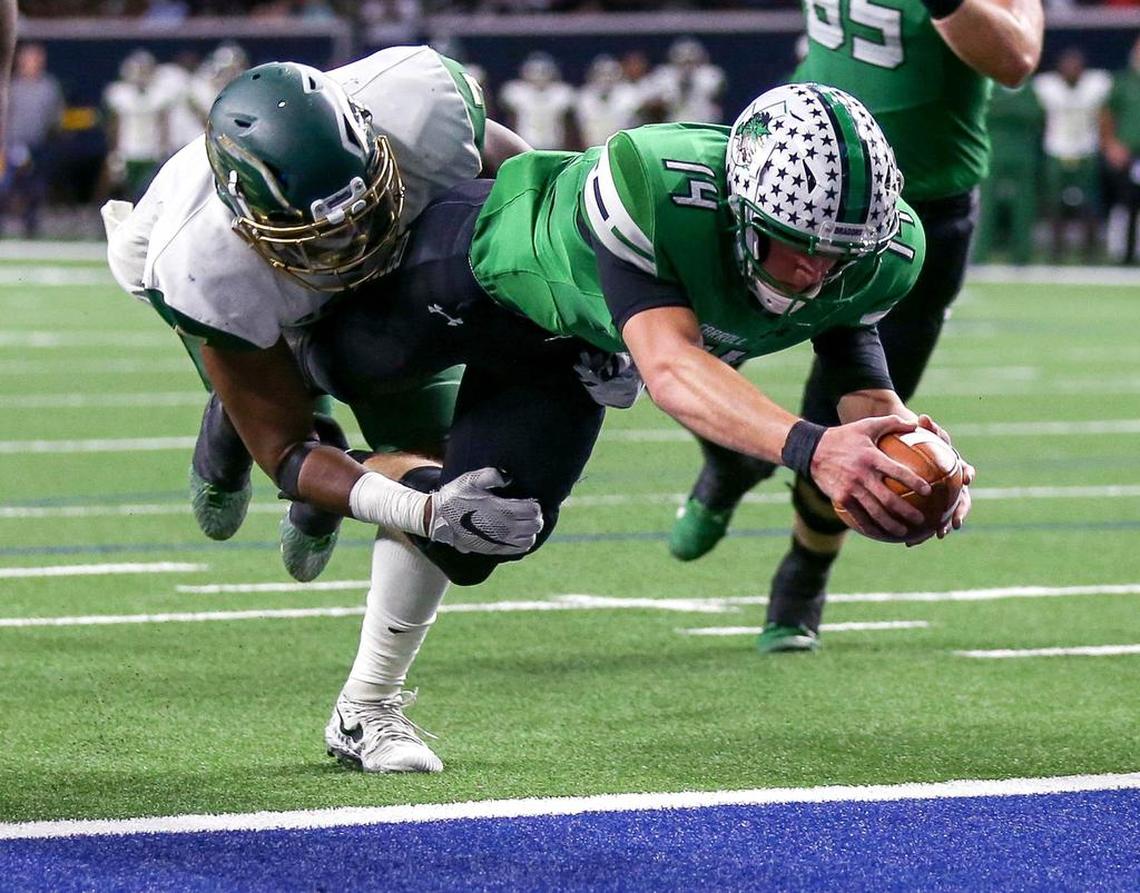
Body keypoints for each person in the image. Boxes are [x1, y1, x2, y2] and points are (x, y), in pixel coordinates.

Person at [285, 82, 974, 771]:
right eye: (793, 245)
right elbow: (671, 367)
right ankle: (262, 432)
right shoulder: (655, 182)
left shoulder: (877, 252)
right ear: (738, 207)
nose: (815, 271)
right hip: (481, 269)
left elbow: (849, 344)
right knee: (330, 367)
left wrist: (904, 446)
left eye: (840, 255)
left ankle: (363, 705)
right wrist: (812, 446)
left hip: (572, 350)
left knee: (487, 526)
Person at [103, 48, 545, 772]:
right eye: (323, 234)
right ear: (251, 220)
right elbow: (287, 454)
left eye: (363, 208)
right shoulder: (201, 263)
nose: (352, 245)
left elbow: (534, 185)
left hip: (361, 293)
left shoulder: (422, 110)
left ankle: (367, 706)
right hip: (241, 301)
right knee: (284, 437)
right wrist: (420, 512)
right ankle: (231, 428)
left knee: (439, 462)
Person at [668, 0, 1042, 653]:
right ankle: (728, 461)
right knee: (673, 346)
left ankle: (804, 576)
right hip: (788, 187)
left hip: (914, 211)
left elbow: (1015, 57)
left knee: (857, 409)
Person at [1033, 48, 1112, 262]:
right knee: (1053, 203)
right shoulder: (1047, 87)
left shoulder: (1097, 84)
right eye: (1067, 66)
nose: (1071, 70)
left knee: (1091, 203)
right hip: (1057, 150)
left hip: (1086, 150)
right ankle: (1055, 250)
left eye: (1075, 66)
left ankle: (1091, 251)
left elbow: (1106, 111)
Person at [973, 82, 1043, 265]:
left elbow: (1035, 115)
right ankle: (980, 253)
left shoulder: (1030, 90)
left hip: (1023, 156)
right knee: (987, 206)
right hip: (992, 155)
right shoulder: (990, 87)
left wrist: (1005, 110)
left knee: (1024, 207)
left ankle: (1022, 255)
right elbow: (982, 113)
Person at [2, 42, 63, 237]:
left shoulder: (49, 86)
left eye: (37, 58)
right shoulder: (12, 86)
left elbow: (55, 117)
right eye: (30, 58)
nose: (34, 62)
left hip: (39, 145)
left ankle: (31, 225)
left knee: (35, 188)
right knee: (7, 185)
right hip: (14, 145)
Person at [1101, 35, 1140, 264]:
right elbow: (1105, 116)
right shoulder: (1123, 81)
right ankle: (1121, 253)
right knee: (1125, 204)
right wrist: (1110, 145)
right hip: (1127, 153)